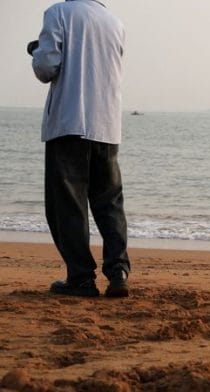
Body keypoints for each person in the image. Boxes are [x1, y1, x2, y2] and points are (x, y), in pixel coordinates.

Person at [30, 0, 130, 298]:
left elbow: (46, 67)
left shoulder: (58, 13)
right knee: (109, 203)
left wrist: (35, 51)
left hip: (70, 122)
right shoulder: (115, 22)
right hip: (107, 124)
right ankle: (118, 273)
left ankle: (81, 278)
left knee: (68, 207)